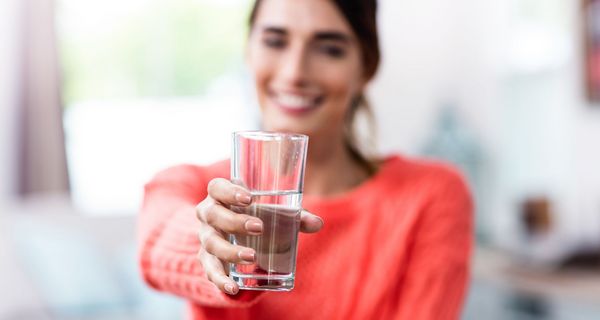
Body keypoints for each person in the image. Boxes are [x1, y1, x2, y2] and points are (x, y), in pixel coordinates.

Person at [137, 0, 473, 319]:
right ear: (248, 52)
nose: (295, 72)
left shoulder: (431, 195)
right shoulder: (195, 188)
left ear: (366, 67)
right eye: (275, 42)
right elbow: (157, 241)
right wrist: (211, 243)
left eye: (330, 49)